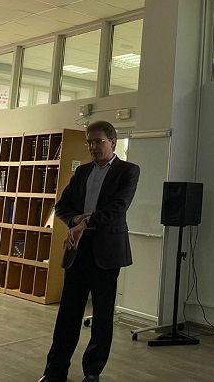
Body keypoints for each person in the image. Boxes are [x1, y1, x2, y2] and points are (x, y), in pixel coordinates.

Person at [39, 121, 140, 382]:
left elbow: (118, 207)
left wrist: (85, 223)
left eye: (98, 142)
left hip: (107, 254)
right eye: (89, 142)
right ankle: (54, 372)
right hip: (78, 251)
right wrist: (75, 220)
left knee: (102, 317)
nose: (93, 147)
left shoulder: (128, 171)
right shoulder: (82, 172)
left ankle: (92, 373)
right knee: (67, 315)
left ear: (113, 142)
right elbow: (62, 206)